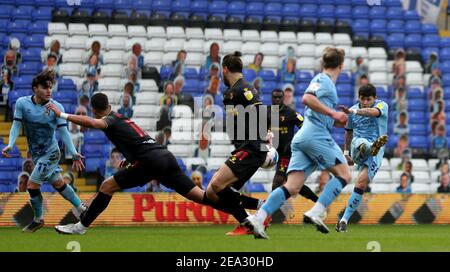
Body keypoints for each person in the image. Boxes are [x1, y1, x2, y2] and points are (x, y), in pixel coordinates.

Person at [48, 93, 265, 234]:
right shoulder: (120, 117)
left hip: (150, 161)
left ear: (96, 110)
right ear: (110, 105)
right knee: (203, 197)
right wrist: (131, 159)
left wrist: (62, 114)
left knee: (106, 186)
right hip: (164, 157)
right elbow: (139, 140)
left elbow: (93, 123)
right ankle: (255, 210)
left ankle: (81, 226)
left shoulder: (108, 120)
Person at [249, 47, 350, 238]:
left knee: (292, 186)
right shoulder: (323, 80)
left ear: (324, 62)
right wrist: (332, 112)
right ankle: (316, 212)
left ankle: (258, 218)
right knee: (344, 174)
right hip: (315, 136)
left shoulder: (325, 82)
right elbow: (307, 98)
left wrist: (338, 118)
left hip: (305, 137)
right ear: (341, 65)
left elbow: (319, 111)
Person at [1, 70, 86, 233]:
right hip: (37, 154)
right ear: (35, 88)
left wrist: (74, 153)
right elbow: (16, 125)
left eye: (51, 87)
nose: (49, 91)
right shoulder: (22, 104)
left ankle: (38, 219)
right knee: (58, 183)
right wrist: (11, 144)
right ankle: (82, 209)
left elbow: (64, 132)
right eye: (45, 87)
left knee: (32, 186)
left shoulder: (56, 107)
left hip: (51, 153)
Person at [204, 51, 270, 235]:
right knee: (211, 192)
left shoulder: (242, 89)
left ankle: (249, 222)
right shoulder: (234, 91)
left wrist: (266, 138)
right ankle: (261, 208)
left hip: (251, 148)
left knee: (217, 185)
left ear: (225, 69)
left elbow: (261, 111)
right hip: (246, 149)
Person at [335, 84, 389, 232]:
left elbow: (373, 112)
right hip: (357, 145)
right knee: (363, 143)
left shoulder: (382, 105)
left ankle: (344, 220)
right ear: (358, 97)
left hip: (376, 154)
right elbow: (348, 132)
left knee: (361, 184)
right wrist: (346, 154)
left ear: (375, 98)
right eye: (362, 99)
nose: (365, 102)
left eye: (368, 99)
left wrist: (353, 111)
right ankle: (370, 147)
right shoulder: (352, 111)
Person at [269, 89, 317, 200]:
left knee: (278, 181)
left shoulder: (290, 113)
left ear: (283, 98)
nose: (276, 99)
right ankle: (318, 202)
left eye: (279, 97)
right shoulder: (266, 112)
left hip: (286, 153)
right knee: (294, 184)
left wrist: (293, 141)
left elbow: (305, 127)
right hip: (272, 152)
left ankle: (267, 211)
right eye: (274, 97)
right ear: (271, 98)